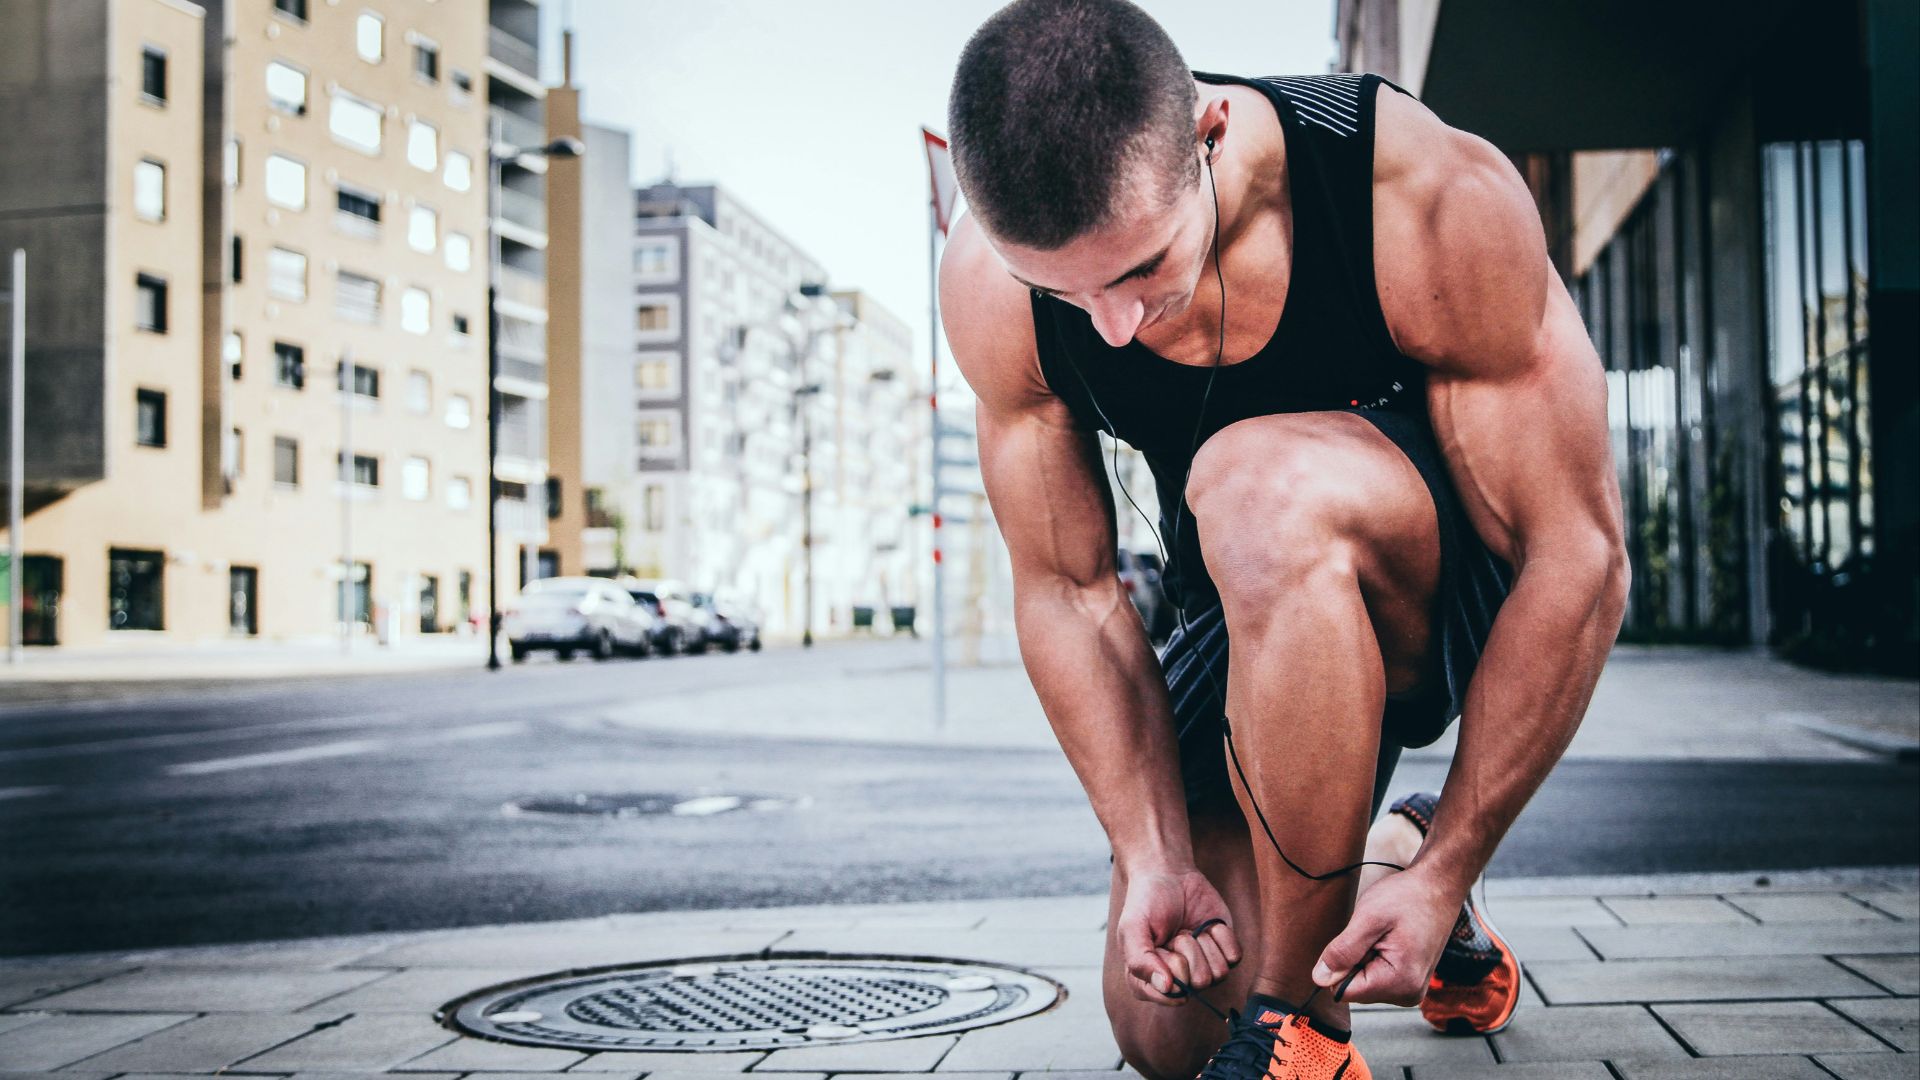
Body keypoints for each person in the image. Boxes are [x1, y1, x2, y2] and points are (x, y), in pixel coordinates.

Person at [937, 2, 1630, 1077]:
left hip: (1436, 590)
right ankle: (1377, 857)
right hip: (1244, 601)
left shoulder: (1411, 191)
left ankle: (1304, 1036)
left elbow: (1578, 557)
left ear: (1211, 136)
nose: (1111, 327)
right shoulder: (989, 286)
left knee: (1257, 482)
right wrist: (1152, 852)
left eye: (1139, 270)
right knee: (1167, 1027)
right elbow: (1069, 591)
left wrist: (1456, 857)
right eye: (1060, 291)